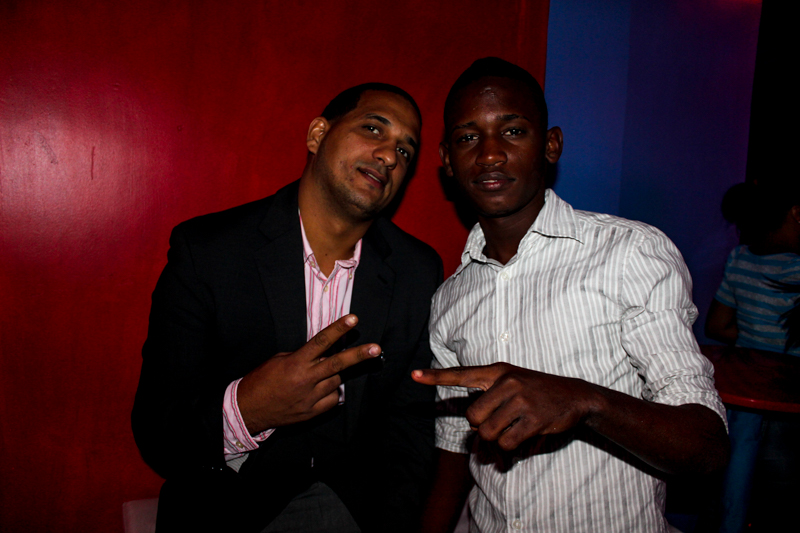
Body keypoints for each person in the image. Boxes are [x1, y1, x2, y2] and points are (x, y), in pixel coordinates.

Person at [411, 57, 729, 532]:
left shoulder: (629, 253)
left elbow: (706, 447)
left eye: (512, 131)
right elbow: (454, 449)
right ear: (447, 160)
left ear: (550, 145)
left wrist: (585, 402)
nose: (490, 154)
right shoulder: (450, 299)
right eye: (467, 137)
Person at [131, 83, 443, 533]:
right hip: (228, 508)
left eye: (405, 151)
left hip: (357, 513)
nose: (389, 156)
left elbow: (411, 426)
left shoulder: (417, 270)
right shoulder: (209, 251)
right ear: (317, 134)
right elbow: (159, 432)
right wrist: (250, 408)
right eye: (373, 129)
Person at [705, 180, 800, 533]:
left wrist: (756, 339)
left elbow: (717, 326)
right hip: (788, 396)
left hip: (745, 390)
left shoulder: (739, 258)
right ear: (795, 213)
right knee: (780, 496)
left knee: (735, 481)